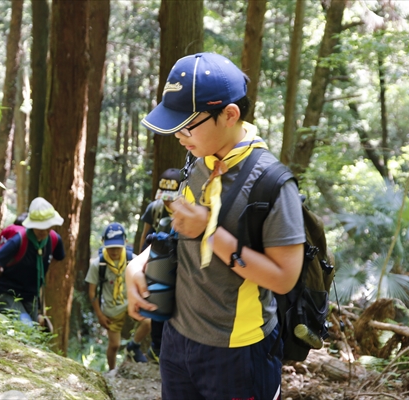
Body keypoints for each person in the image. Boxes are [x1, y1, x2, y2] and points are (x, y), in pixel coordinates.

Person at [127, 52, 305, 399]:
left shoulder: (272, 184)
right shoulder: (198, 160)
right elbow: (181, 229)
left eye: (187, 124)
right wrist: (141, 261)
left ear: (229, 114)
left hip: (238, 353)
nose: (178, 135)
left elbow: (284, 279)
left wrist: (210, 230)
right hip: (177, 340)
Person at [0, 197, 65, 324]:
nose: (44, 231)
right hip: (6, 293)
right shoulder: (19, 240)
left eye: (47, 226)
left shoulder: (55, 240)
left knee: (35, 333)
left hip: (30, 296)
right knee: (26, 327)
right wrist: (2, 275)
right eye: (40, 227)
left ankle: (38, 319)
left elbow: (57, 259)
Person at [86, 222, 151, 376]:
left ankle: (133, 346)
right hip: (111, 309)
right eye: (110, 247)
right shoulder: (98, 264)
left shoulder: (133, 259)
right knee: (114, 344)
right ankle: (112, 371)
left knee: (148, 322)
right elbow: (92, 292)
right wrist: (99, 315)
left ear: (125, 243)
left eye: (117, 246)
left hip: (131, 303)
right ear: (103, 244)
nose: (114, 251)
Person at [138, 168, 181, 363]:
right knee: (157, 304)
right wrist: (140, 262)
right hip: (157, 265)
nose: (166, 201)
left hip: (179, 264)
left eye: (170, 197)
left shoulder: (187, 210)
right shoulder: (155, 208)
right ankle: (157, 348)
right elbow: (145, 234)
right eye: (164, 197)